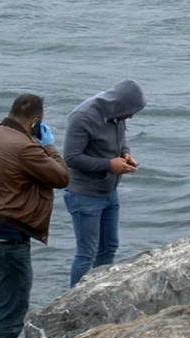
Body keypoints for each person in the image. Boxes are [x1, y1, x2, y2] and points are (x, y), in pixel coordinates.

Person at [0, 94, 69, 338]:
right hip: (4, 239)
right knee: (9, 312)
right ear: (35, 122)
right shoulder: (25, 147)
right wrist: (49, 146)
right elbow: (62, 177)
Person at [63, 79, 146, 287]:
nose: (131, 116)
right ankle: (73, 303)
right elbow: (71, 158)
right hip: (84, 195)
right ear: (119, 105)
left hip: (109, 191)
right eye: (130, 111)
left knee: (109, 247)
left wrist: (125, 153)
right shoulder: (82, 117)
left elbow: (120, 138)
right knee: (86, 253)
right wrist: (109, 165)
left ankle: (100, 291)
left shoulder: (117, 114)